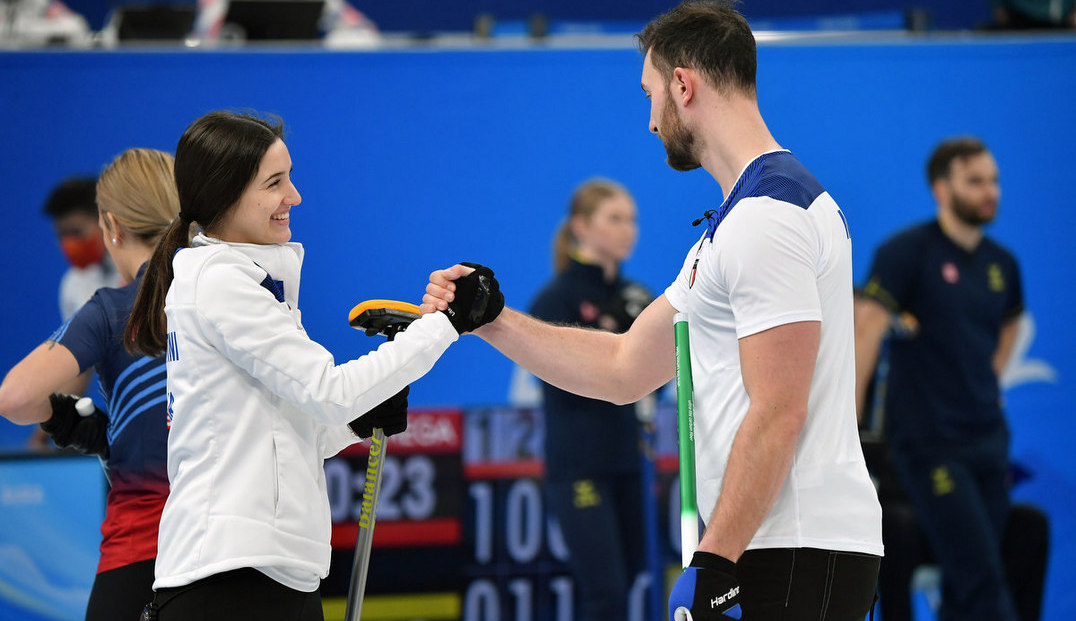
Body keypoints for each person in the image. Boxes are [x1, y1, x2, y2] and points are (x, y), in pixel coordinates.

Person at [423, 2, 883, 619]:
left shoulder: (768, 218)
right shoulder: (738, 222)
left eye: (649, 94)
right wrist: (492, 320)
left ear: (683, 84)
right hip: (773, 544)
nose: (649, 122)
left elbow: (779, 410)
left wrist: (714, 561)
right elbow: (622, 367)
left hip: (793, 544)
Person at [124, 110, 500, 620]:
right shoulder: (220, 283)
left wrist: (354, 423)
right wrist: (446, 324)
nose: (294, 197)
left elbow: (282, 428)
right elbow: (329, 390)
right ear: (225, 193)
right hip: (231, 578)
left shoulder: (247, 281)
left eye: (290, 177)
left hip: (264, 571)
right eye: (275, 182)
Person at [0, 148, 180, 621]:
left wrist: (67, 423)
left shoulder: (110, 307)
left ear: (111, 227)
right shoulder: (240, 289)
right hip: (241, 547)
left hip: (145, 539)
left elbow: (16, 397)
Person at [854, 136, 1025, 621]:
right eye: (975, 182)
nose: (989, 191)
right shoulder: (906, 253)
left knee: (965, 579)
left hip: (988, 440)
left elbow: (1012, 319)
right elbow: (865, 329)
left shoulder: (1002, 264)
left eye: (993, 181)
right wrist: (849, 415)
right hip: (930, 445)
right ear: (941, 189)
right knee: (980, 573)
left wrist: (992, 378)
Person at [530, 178, 653, 620]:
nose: (629, 230)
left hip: (627, 462)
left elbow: (660, 375)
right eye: (615, 219)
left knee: (635, 573)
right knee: (607, 593)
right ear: (581, 226)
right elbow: (566, 380)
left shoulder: (637, 298)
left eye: (632, 220)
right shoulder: (554, 301)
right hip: (580, 466)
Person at [42, 177, 125, 321]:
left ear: (105, 222)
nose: (70, 243)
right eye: (62, 235)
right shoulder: (72, 284)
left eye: (76, 232)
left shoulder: (137, 268)